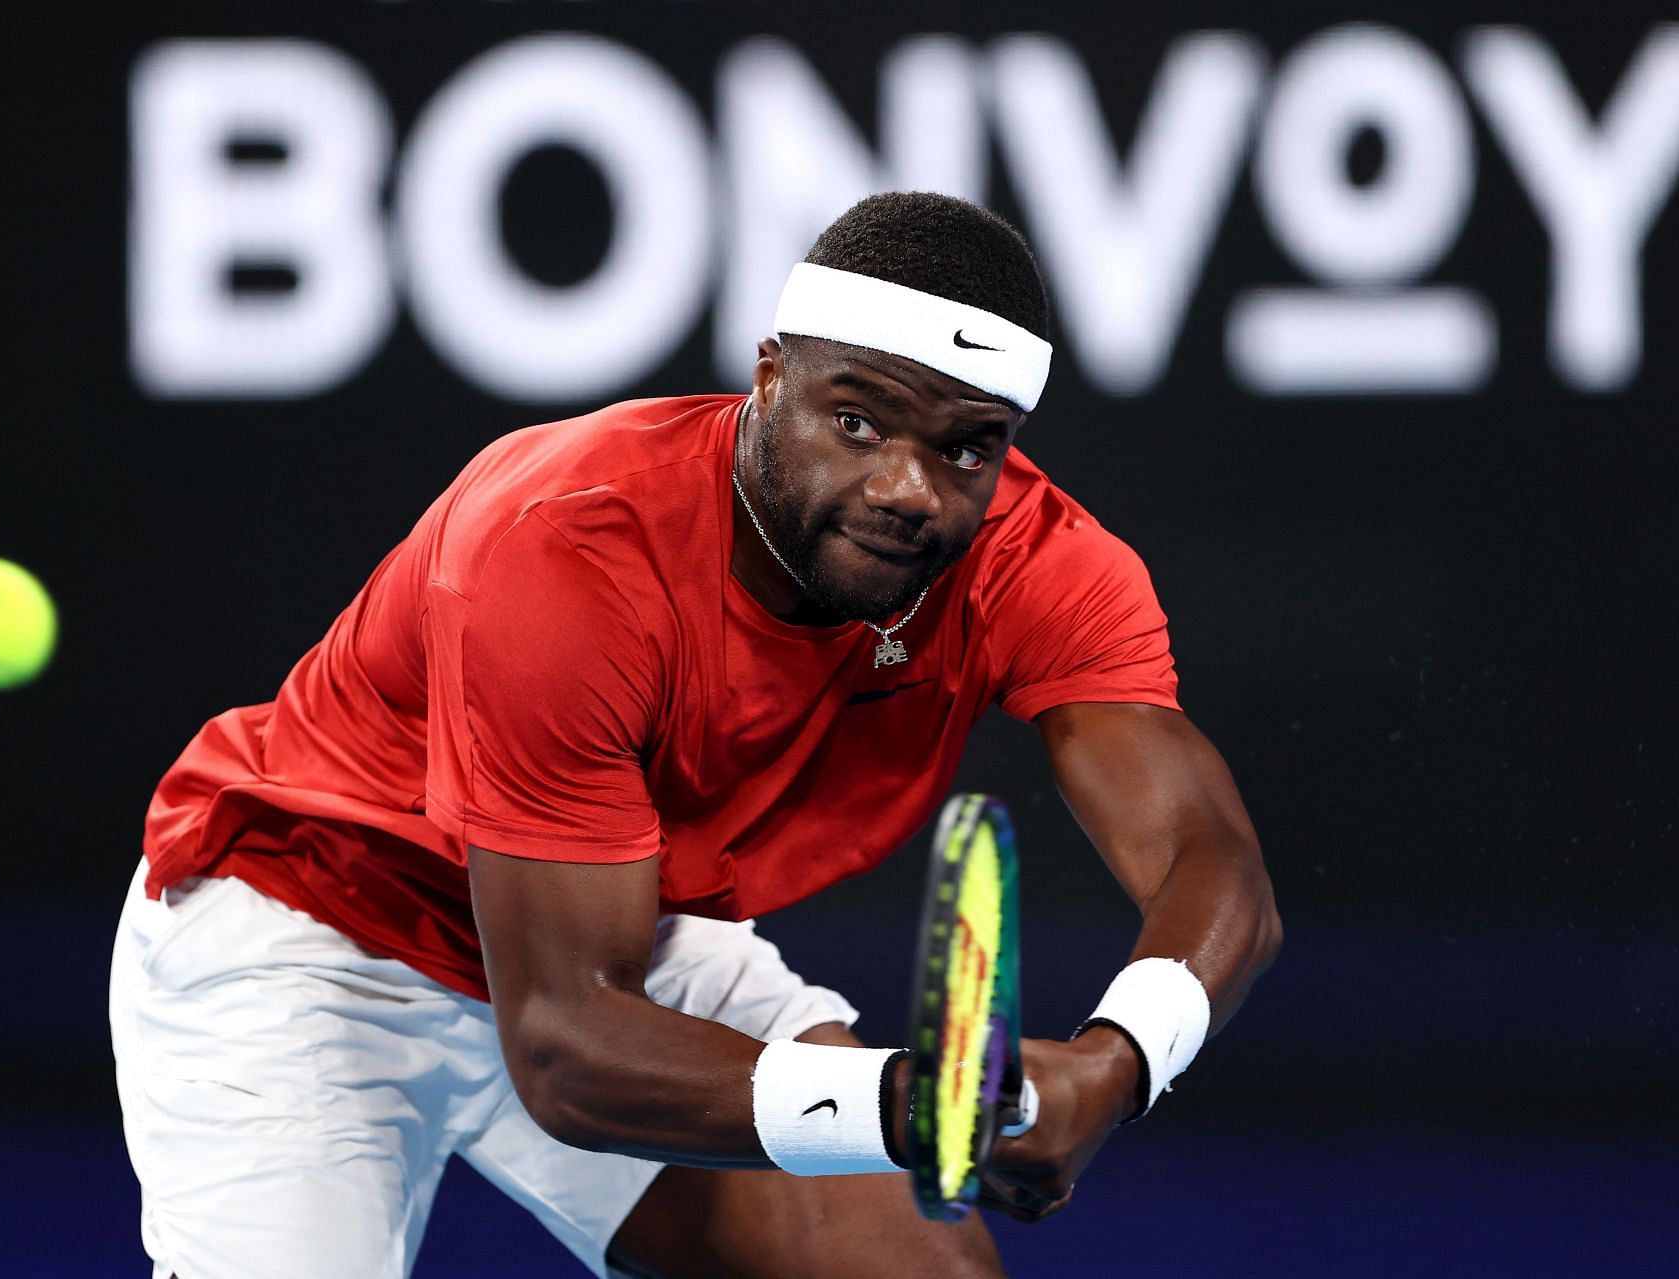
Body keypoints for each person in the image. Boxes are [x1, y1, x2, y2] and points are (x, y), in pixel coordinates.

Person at [110, 191, 1281, 1279]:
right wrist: (907, 1107)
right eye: (860, 419)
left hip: (623, 933)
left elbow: (1209, 860)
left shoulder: (1041, 563)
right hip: (314, 936)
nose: (909, 488)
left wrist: (1118, 1058)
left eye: (965, 446)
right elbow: (568, 1051)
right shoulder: (563, 552)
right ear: (769, 380)